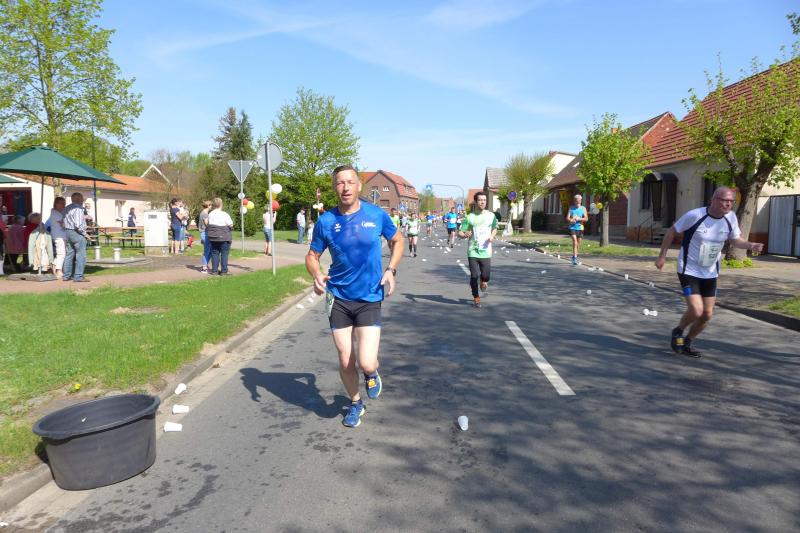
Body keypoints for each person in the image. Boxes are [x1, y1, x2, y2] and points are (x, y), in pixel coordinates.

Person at [306, 164, 403, 428]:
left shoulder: (376, 214)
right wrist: (316, 273)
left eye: (350, 182)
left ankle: (371, 373)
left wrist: (391, 269)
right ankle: (356, 402)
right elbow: (312, 256)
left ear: (359, 185)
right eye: (340, 183)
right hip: (338, 297)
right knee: (345, 358)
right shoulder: (326, 221)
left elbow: (397, 240)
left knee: (366, 362)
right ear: (334, 187)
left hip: (369, 297)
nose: (345, 187)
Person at [655, 186, 763, 358]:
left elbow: (735, 239)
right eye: (725, 201)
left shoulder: (730, 217)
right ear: (713, 200)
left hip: (710, 272)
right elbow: (672, 231)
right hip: (689, 270)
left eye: (731, 201)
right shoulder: (695, 215)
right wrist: (662, 256)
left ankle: (688, 342)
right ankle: (678, 331)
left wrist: (751, 245)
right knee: (696, 310)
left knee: (706, 314)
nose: (728, 204)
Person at [458, 191, 497, 308]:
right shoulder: (469, 217)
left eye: (484, 200)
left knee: (486, 276)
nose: (482, 202)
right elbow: (460, 232)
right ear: (476, 201)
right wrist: (465, 234)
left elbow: (494, 228)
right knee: (474, 275)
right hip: (473, 250)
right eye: (480, 200)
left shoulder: (491, 216)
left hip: (486, 250)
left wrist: (492, 236)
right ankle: (476, 297)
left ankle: (483, 281)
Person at [63, 192, 89, 282]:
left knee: (69, 254)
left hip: (67, 231)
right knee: (81, 255)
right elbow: (78, 224)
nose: (83, 201)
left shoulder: (67, 208)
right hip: (76, 232)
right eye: (82, 199)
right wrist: (85, 234)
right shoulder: (78, 209)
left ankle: (66, 275)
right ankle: (78, 276)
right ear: (79, 199)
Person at [206, 197, 234, 275]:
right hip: (224, 236)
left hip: (213, 236)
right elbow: (230, 224)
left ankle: (214, 270)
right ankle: (224, 271)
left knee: (214, 253)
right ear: (221, 204)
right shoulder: (224, 214)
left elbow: (208, 224)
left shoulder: (210, 214)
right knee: (224, 253)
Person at [47, 197, 67, 279]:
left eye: (64, 203)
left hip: (62, 235)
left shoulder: (59, 212)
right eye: (62, 203)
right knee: (61, 254)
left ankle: (53, 267)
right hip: (58, 236)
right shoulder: (55, 212)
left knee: (61, 253)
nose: (64, 205)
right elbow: (63, 224)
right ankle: (59, 270)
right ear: (56, 204)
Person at [567, 194, 588, 265]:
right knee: (575, 242)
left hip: (580, 227)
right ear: (574, 201)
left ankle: (575, 256)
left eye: (579, 200)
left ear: (581, 201)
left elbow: (586, 219)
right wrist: (571, 220)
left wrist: (579, 219)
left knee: (578, 244)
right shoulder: (571, 208)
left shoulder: (583, 208)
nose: (577, 202)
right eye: (576, 200)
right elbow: (567, 217)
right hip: (572, 227)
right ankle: (574, 258)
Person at [198, 200, 212, 272]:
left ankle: (205, 265)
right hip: (205, 233)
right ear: (208, 206)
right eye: (211, 205)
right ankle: (204, 267)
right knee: (207, 250)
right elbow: (207, 224)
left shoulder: (203, 213)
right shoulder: (205, 213)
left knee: (210, 250)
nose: (211, 206)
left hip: (204, 233)